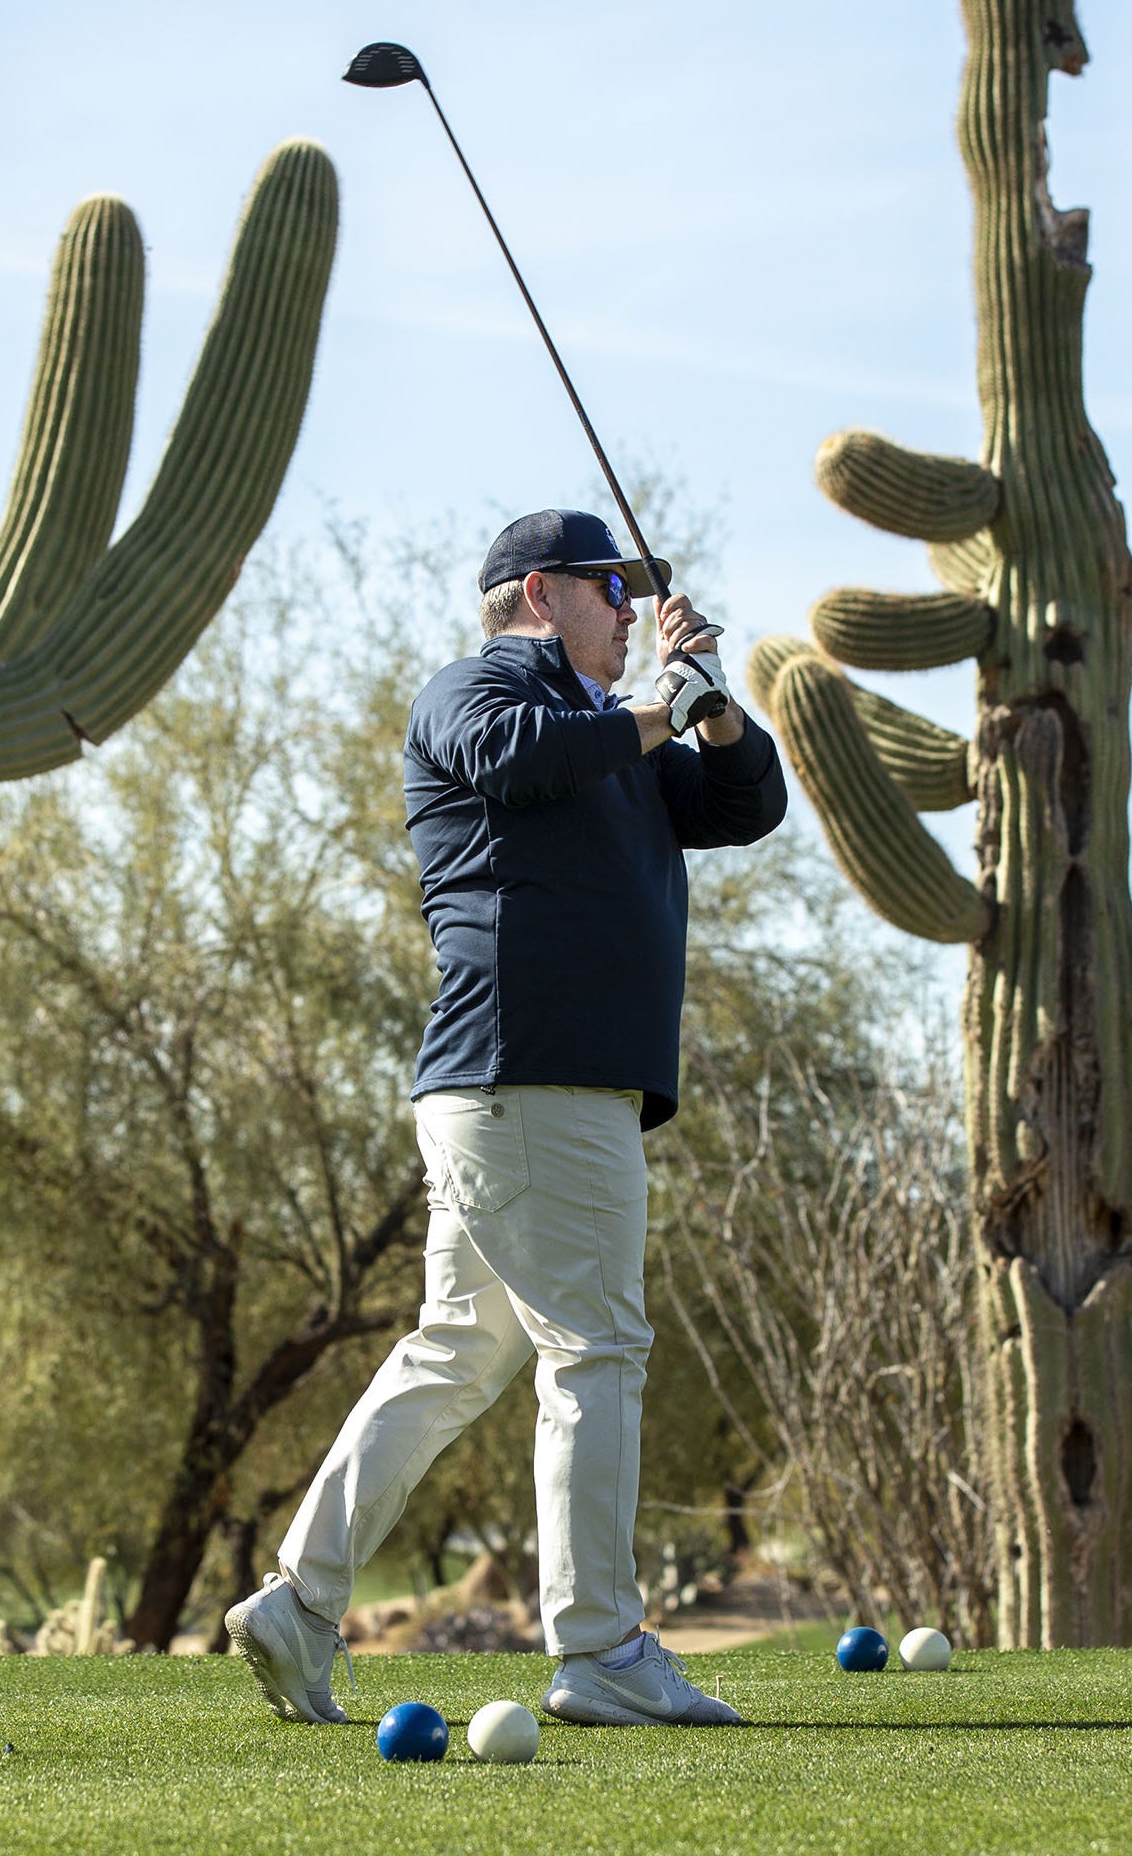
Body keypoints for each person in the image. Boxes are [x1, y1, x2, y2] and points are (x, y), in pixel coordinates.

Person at [224, 508, 786, 1728]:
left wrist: (711, 704)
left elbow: (746, 808)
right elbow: (527, 762)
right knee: (596, 1348)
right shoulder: (475, 692)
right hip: (532, 1077)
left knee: (459, 1350)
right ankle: (598, 1650)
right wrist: (655, 709)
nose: (630, 611)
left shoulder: (614, 739)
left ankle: (300, 1602)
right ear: (539, 593)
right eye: (610, 590)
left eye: (639, 598)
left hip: (524, 1088)